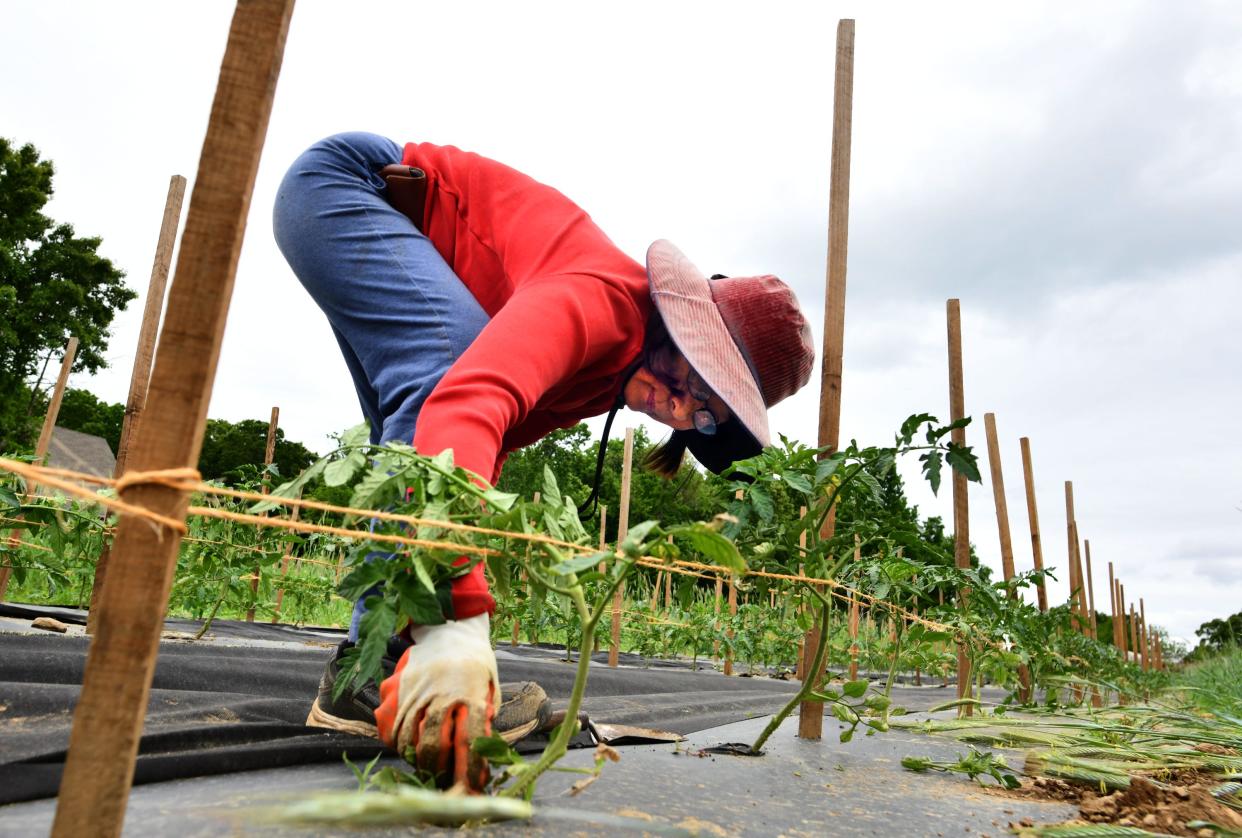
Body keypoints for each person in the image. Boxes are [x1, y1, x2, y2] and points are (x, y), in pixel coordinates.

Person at [272, 132, 815, 790]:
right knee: (446, 381)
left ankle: (364, 674)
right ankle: (380, 664)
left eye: (702, 413)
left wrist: (441, 624)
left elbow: (477, 446)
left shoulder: (601, 382)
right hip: (352, 188)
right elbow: (462, 407)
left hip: (361, 213)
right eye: (692, 374)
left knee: (414, 444)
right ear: (675, 324)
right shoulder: (603, 299)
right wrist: (457, 625)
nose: (677, 404)